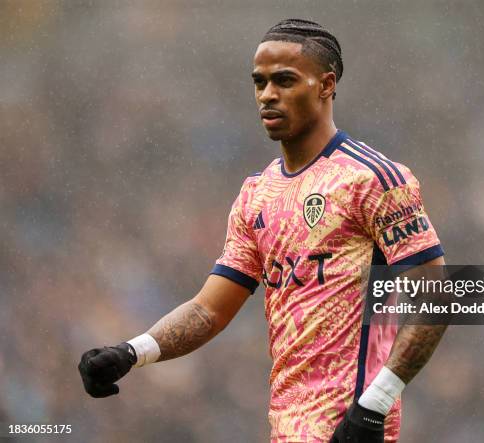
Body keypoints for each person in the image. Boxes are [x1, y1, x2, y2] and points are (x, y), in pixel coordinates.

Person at [78, 19, 447, 443]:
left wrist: (374, 405)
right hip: (286, 426)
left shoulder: (373, 179)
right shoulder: (257, 194)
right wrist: (131, 352)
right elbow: (209, 310)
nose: (267, 95)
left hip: (352, 424)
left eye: (285, 81)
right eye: (260, 82)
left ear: (326, 85)